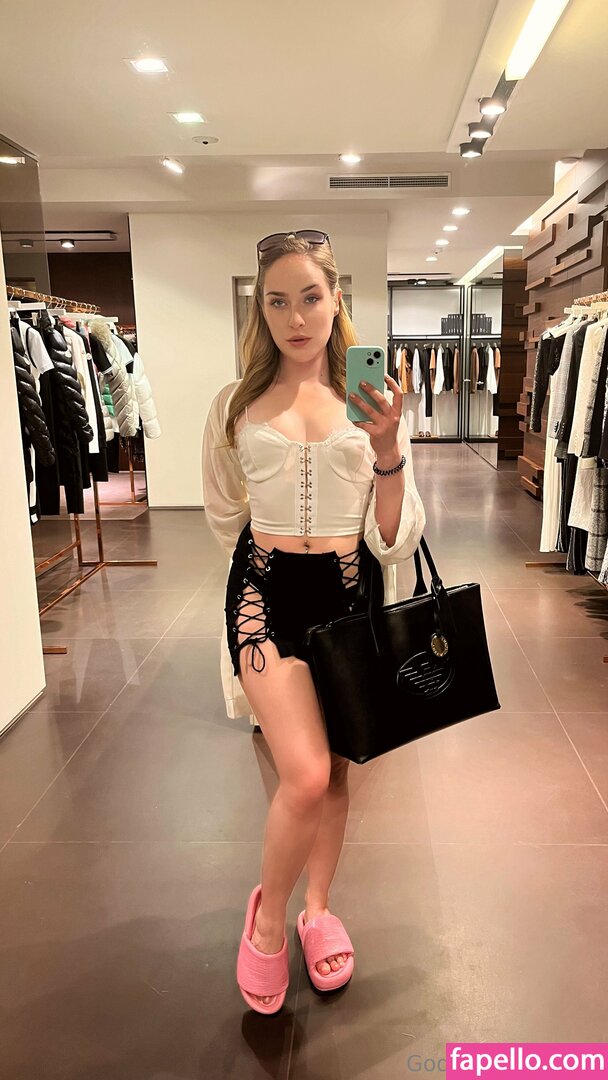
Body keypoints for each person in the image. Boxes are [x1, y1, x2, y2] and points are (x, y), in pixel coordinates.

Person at [202, 230, 425, 1014]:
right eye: (276, 301)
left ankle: (318, 910)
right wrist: (261, 566)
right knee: (302, 771)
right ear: (258, 311)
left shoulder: (371, 401)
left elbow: (395, 537)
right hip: (264, 598)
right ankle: (268, 923)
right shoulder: (234, 406)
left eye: (310, 297)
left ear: (336, 300)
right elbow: (223, 512)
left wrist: (388, 446)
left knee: (334, 769)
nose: (294, 318)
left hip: (350, 594)